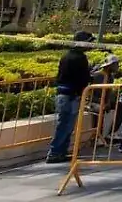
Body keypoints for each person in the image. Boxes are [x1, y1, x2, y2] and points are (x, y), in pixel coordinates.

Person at [46, 31, 95, 163]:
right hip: (70, 95)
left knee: (66, 125)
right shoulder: (80, 58)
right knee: (65, 125)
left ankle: (61, 152)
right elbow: (82, 78)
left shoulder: (66, 56)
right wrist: (91, 78)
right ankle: (55, 153)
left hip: (64, 94)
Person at [89, 54, 122, 147]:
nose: (118, 66)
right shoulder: (98, 76)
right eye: (116, 64)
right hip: (94, 101)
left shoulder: (110, 77)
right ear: (110, 65)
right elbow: (90, 92)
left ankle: (111, 133)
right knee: (99, 109)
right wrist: (102, 102)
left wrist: (107, 102)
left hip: (105, 101)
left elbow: (108, 91)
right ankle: (96, 138)